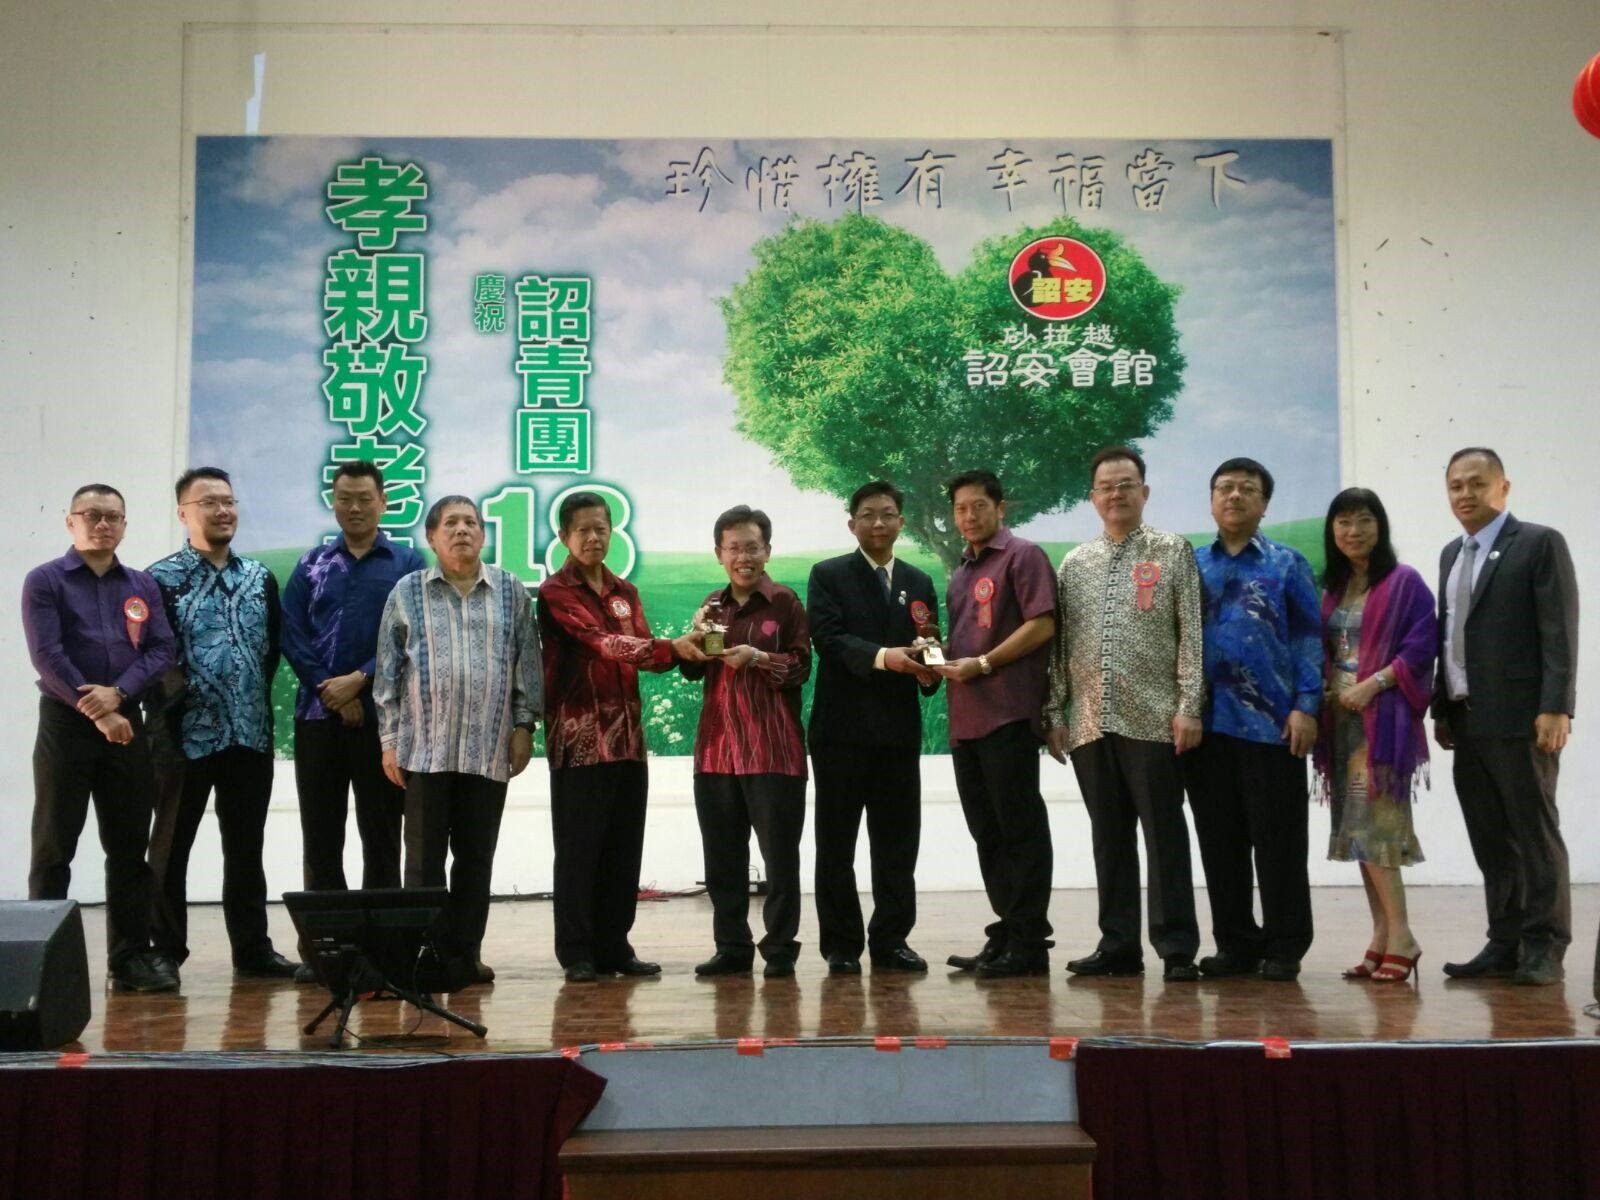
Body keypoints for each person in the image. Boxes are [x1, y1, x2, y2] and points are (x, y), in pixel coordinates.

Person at [1047, 446, 1204, 982]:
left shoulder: (1172, 551)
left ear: (1145, 491)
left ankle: (1176, 947)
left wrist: (1189, 706)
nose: (1116, 494)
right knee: (1109, 839)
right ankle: (1117, 945)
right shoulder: (1074, 564)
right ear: (1092, 498)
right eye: (1106, 486)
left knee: (1164, 835)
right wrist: (1055, 711)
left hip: (1155, 719)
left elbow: (1191, 635)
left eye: (1126, 484)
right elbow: (1060, 646)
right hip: (1090, 723)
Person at [374, 496, 541, 986]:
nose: (462, 530)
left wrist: (524, 727)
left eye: (470, 522)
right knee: (423, 863)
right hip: (425, 750)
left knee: (475, 860)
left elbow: (527, 664)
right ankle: (423, 957)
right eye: (450, 523)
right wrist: (389, 740)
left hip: (488, 751)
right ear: (432, 537)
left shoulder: (510, 591)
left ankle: (464, 955)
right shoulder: (407, 592)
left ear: (483, 535)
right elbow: (387, 674)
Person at [538, 491, 703, 983]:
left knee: (623, 847)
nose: (593, 537)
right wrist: (672, 648)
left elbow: (643, 649)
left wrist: (691, 648)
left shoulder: (624, 591)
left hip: (628, 740)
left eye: (601, 528)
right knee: (579, 850)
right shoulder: (556, 592)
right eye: (582, 530)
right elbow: (602, 643)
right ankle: (577, 951)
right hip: (580, 741)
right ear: (564, 536)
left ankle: (615, 946)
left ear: (612, 532)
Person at [22, 484, 178, 991]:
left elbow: (161, 650)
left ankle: (129, 959)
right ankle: (44, 964)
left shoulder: (140, 584)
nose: (103, 524)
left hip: (127, 721)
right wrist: (97, 710)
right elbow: (47, 655)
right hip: (66, 724)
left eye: (113, 516)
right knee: (54, 847)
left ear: (124, 525)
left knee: (129, 848)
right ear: (71, 522)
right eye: (91, 515)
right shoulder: (45, 580)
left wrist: (120, 695)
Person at [1433, 448, 1578, 986]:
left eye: (1476, 483)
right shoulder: (1451, 553)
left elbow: (1559, 631)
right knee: (1491, 839)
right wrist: (1441, 707)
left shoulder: (1538, 543)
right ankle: (1505, 940)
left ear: (1503, 487)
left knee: (1534, 836)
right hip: (1466, 720)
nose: (1465, 494)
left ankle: (1545, 946)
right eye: (1455, 486)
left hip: (1522, 719)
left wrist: (1556, 706)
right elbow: (1450, 636)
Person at [146, 467, 297, 980]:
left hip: (248, 732)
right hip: (182, 735)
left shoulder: (259, 577)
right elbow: (150, 657)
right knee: (170, 847)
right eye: (209, 502)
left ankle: (252, 949)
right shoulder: (159, 579)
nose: (223, 511)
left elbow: (270, 649)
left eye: (229, 501)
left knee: (246, 847)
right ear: (183, 513)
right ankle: (164, 951)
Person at [1184, 458, 1321, 982]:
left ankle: (1285, 944)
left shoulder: (1287, 564)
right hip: (1207, 726)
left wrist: (1306, 705)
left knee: (1279, 842)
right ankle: (1236, 944)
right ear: (1211, 500)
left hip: (1271, 726)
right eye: (1225, 488)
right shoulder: (1192, 565)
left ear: (1264, 503)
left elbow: (1308, 638)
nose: (1235, 496)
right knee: (1220, 844)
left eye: (1247, 489)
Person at [806, 481, 941, 975]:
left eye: (887, 514)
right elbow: (829, 639)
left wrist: (930, 670)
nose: (878, 522)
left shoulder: (919, 581)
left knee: (897, 843)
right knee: (836, 845)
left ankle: (892, 940)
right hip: (840, 734)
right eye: (868, 514)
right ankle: (842, 946)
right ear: (852, 524)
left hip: (897, 734)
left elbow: (930, 641)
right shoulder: (828, 575)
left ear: (902, 522)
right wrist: (887, 658)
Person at [281, 461, 425, 908]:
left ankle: (383, 939)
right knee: (320, 834)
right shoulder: (312, 564)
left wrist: (360, 680)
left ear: (383, 502)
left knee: (382, 833)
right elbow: (291, 632)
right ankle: (326, 939)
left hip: (383, 723)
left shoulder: (407, 564)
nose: (355, 508)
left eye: (365, 499)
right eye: (345, 499)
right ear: (333, 502)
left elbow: (413, 633)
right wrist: (330, 689)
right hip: (317, 717)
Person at [681, 505, 812, 979]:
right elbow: (692, 669)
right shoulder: (711, 606)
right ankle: (731, 947)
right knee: (722, 860)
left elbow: (800, 668)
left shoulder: (785, 602)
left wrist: (757, 657)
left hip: (773, 751)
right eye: (734, 548)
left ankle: (779, 949)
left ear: (767, 551)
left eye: (752, 547)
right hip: (716, 753)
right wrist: (694, 638)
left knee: (780, 860)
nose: (744, 557)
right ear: (719, 554)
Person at [1313, 488, 1437, 984]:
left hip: (1380, 723)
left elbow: (1422, 646)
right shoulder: (1334, 587)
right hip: (1340, 724)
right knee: (1357, 833)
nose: (1353, 531)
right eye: (1343, 522)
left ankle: (1403, 936)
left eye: (1364, 520)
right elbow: (1327, 647)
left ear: (1380, 526)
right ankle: (1382, 935)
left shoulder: (1405, 582)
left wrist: (1373, 684)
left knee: (1378, 830)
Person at [937, 470, 1057, 979]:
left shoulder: (1022, 556)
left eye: (979, 506)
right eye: (960, 508)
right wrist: (935, 655)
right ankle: (1007, 931)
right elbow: (966, 640)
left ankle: (1029, 942)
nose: (969, 516)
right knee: (987, 832)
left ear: (1001, 508)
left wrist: (983, 664)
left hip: (1007, 715)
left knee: (1019, 829)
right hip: (966, 721)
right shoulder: (962, 571)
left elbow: (1042, 623)